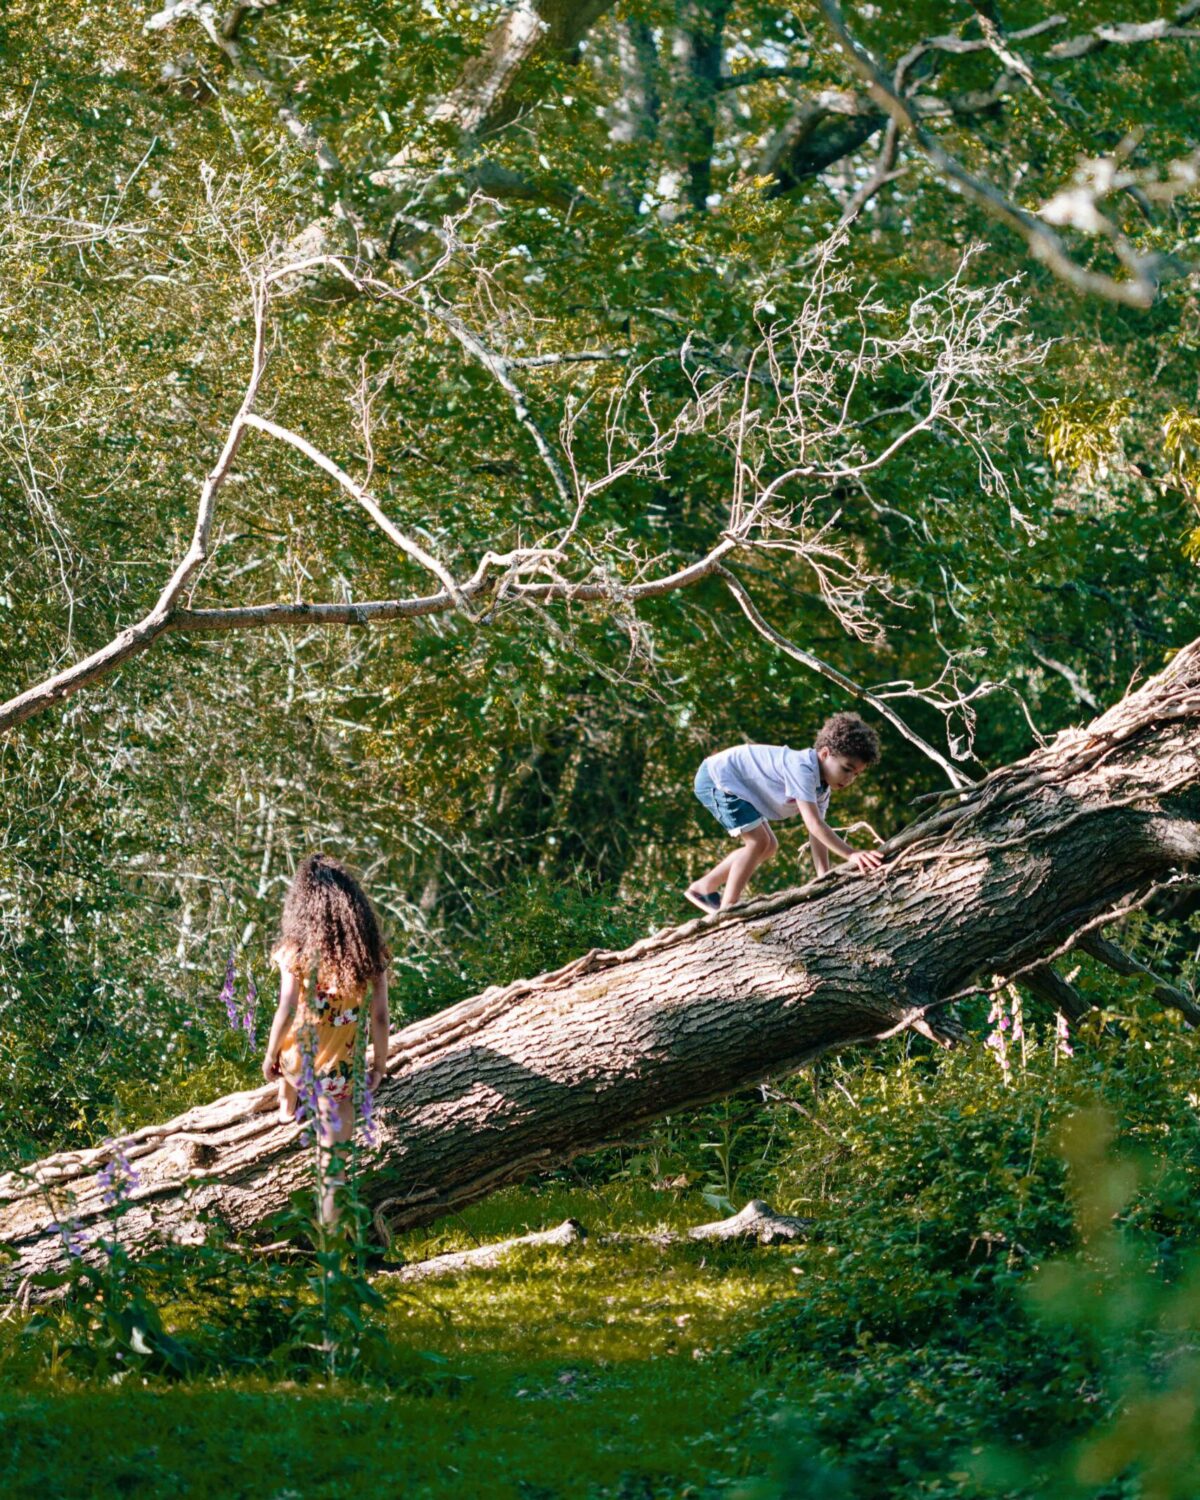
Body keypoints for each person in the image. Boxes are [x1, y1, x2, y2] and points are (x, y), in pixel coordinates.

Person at [261, 853, 391, 1225]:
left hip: (297, 1061)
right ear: (356, 909)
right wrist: (379, 1066)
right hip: (336, 1075)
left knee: (288, 1059)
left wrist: (270, 1055)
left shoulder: (294, 952)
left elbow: (284, 1010)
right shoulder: (369, 955)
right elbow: (380, 1018)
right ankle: (331, 1238)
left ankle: (287, 1108)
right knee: (334, 1165)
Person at [685, 712, 884, 913]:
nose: (850, 778)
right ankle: (728, 909)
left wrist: (824, 877)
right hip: (718, 777)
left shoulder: (822, 788)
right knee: (758, 842)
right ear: (824, 754)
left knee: (769, 846)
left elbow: (817, 834)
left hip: (735, 784)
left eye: (856, 774)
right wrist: (851, 854)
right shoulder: (802, 768)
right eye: (847, 768)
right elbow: (813, 824)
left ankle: (704, 888)